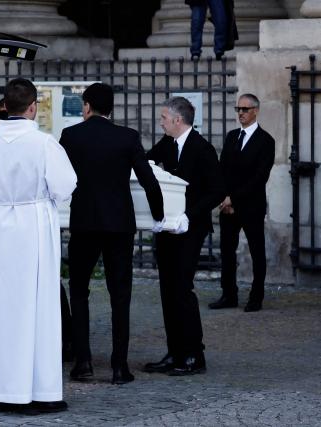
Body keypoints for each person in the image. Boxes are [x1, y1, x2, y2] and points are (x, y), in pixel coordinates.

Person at [0, 78, 77, 414]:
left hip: (2, 222)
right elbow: (65, 185)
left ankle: (2, 387)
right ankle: (34, 390)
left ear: (5, 106)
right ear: (33, 107)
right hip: (32, 222)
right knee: (37, 305)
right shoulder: (43, 143)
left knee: (2, 306)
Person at [59, 83, 165, 385]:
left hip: (84, 223)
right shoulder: (127, 137)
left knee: (79, 290)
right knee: (121, 295)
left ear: (87, 106)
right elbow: (148, 179)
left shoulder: (71, 136)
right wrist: (158, 214)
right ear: (112, 109)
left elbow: (58, 176)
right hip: (119, 224)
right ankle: (120, 367)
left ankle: (84, 362)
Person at [145, 96, 224, 376]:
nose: (161, 123)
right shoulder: (167, 143)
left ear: (178, 120)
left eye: (164, 118)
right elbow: (146, 163)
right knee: (168, 290)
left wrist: (188, 215)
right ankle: (175, 351)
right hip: (167, 226)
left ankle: (194, 354)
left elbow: (216, 191)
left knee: (182, 288)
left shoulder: (202, 148)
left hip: (191, 227)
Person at [209, 94, 275, 313]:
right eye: (238, 109)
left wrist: (233, 198)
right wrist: (224, 198)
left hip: (251, 206)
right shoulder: (231, 136)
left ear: (255, 110)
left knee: (257, 252)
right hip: (228, 205)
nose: (241, 113)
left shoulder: (266, 141)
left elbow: (259, 177)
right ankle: (229, 294)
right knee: (227, 250)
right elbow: (221, 169)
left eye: (245, 109)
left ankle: (256, 297)